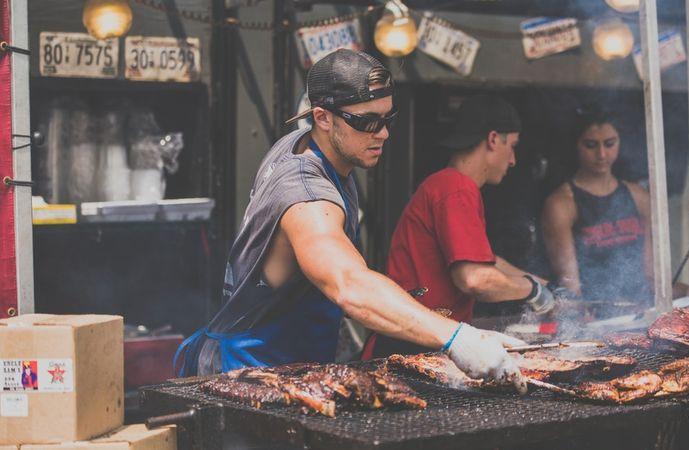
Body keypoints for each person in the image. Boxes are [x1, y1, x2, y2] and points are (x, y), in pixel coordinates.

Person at [174, 49, 528, 393]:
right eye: (367, 122)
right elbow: (349, 283)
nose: (383, 133)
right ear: (323, 117)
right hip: (248, 372)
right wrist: (457, 337)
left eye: (387, 119)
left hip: (294, 366)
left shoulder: (308, 142)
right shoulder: (306, 195)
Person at [363, 95, 559, 359]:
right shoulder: (456, 188)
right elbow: (475, 279)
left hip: (418, 341)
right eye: (512, 146)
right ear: (492, 139)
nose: (512, 160)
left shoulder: (449, 185)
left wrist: (544, 284)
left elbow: (487, 261)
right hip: (411, 348)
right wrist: (533, 291)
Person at [542, 108, 653, 305]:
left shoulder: (640, 197)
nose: (601, 154)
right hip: (593, 313)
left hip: (640, 309)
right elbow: (569, 285)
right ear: (576, 145)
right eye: (591, 145)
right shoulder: (561, 204)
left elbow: (651, 275)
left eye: (609, 144)